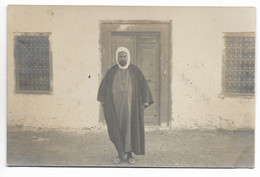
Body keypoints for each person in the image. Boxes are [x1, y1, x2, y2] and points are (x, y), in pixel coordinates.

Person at [97, 47, 153, 165]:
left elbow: (143, 86)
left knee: (130, 130)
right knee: (117, 130)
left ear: (128, 57)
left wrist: (145, 101)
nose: (122, 58)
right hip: (115, 109)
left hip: (131, 109)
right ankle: (119, 154)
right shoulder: (111, 72)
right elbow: (103, 87)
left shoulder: (135, 71)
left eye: (124, 56)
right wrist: (102, 100)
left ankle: (129, 155)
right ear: (117, 57)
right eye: (120, 56)